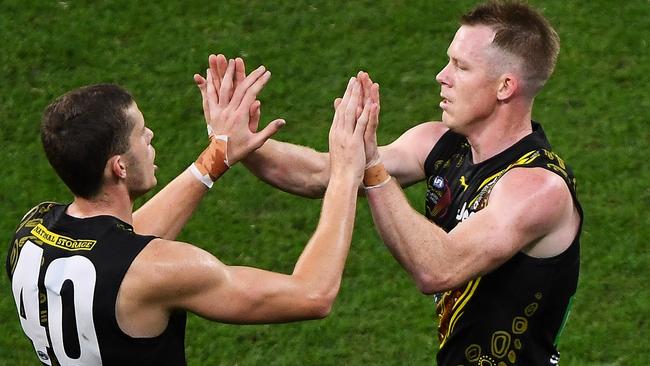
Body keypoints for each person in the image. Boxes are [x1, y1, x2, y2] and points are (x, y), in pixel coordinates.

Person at [227, 1, 583, 365]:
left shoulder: (537, 189)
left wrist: (373, 165)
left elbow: (440, 267)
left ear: (505, 86)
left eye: (461, 66)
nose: (442, 76)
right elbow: (323, 173)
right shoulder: (439, 143)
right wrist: (240, 144)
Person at [6, 55, 373, 365]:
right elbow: (312, 294)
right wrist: (344, 170)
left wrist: (218, 155)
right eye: (141, 132)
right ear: (119, 167)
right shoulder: (161, 272)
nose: (150, 135)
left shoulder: (32, 230)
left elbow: (122, 247)